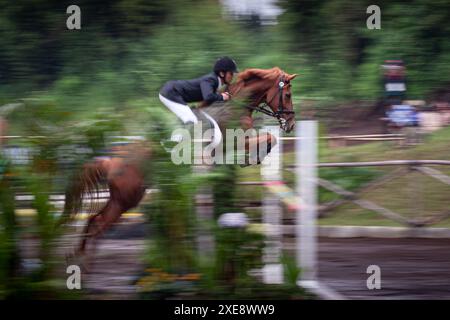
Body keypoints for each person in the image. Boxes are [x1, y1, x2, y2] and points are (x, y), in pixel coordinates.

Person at [159, 57, 238, 145]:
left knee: (190, 118)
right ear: (222, 73)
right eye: (231, 73)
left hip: (173, 92)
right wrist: (222, 97)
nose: (233, 76)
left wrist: (224, 98)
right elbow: (208, 97)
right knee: (190, 119)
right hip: (171, 92)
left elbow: (210, 99)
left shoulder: (215, 82)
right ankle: (173, 143)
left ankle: (175, 140)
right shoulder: (211, 80)